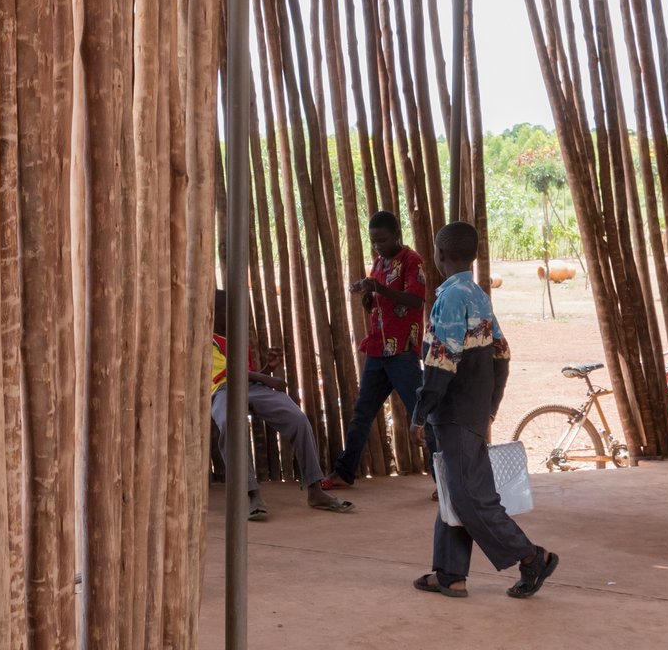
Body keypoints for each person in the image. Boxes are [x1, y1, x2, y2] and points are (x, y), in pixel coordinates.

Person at [413, 221, 559, 601]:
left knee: (472, 497)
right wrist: (490, 408)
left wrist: (420, 414)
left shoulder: (449, 298)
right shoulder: (478, 296)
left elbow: (440, 364)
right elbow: (502, 355)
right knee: (453, 490)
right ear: (474, 256)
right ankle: (449, 574)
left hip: (454, 412)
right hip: (473, 410)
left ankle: (531, 557)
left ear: (439, 256)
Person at [212, 291, 354, 519]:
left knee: (297, 419)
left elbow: (246, 375)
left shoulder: (235, 335)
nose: (233, 314)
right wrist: (268, 378)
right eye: (225, 310)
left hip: (251, 388)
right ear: (214, 313)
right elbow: (229, 375)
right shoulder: (206, 339)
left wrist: (268, 368)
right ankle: (251, 494)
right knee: (230, 422)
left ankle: (315, 490)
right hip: (222, 391)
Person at [323, 211, 430, 489]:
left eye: (382, 240)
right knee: (362, 413)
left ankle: (444, 480)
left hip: (403, 351)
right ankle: (344, 472)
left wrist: (380, 288)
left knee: (421, 415)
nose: (378, 246)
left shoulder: (412, 261)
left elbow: (416, 301)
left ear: (397, 234)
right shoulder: (380, 262)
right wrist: (368, 296)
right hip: (379, 351)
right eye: (373, 242)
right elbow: (376, 305)